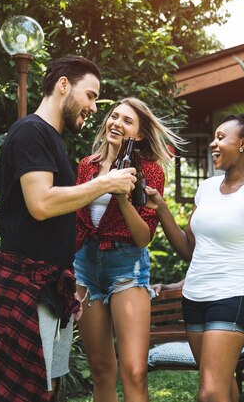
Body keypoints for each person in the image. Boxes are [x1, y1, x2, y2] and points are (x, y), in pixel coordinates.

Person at [0, 56, 138, 402]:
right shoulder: (30, 132)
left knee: (44, 391)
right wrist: (106, 183)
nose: (94, 107)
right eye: (91, 95)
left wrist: (67, 288)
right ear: (64, 85)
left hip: (50, 289)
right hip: (27, 286)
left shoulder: (50, 139)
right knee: (23, 394)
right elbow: (42, 204)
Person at [145, 113, 244, 402]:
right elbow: (188, 249)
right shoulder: (206, 188)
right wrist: (161, 209)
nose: (213, 143)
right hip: (195, 299)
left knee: (209, 393)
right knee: (223, 386)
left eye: (221, 137)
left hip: (233, 297)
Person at [73, 97, 183, 402]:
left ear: (140, 135)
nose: (117, 124)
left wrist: (123, 197)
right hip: (85, 266)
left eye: (127, 121)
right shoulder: (87, 166)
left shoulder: (150, 172)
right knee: (101, 368)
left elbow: (143, 237)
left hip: (127, 266)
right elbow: (79, 220)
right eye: (114, 116)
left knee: (134, 370)